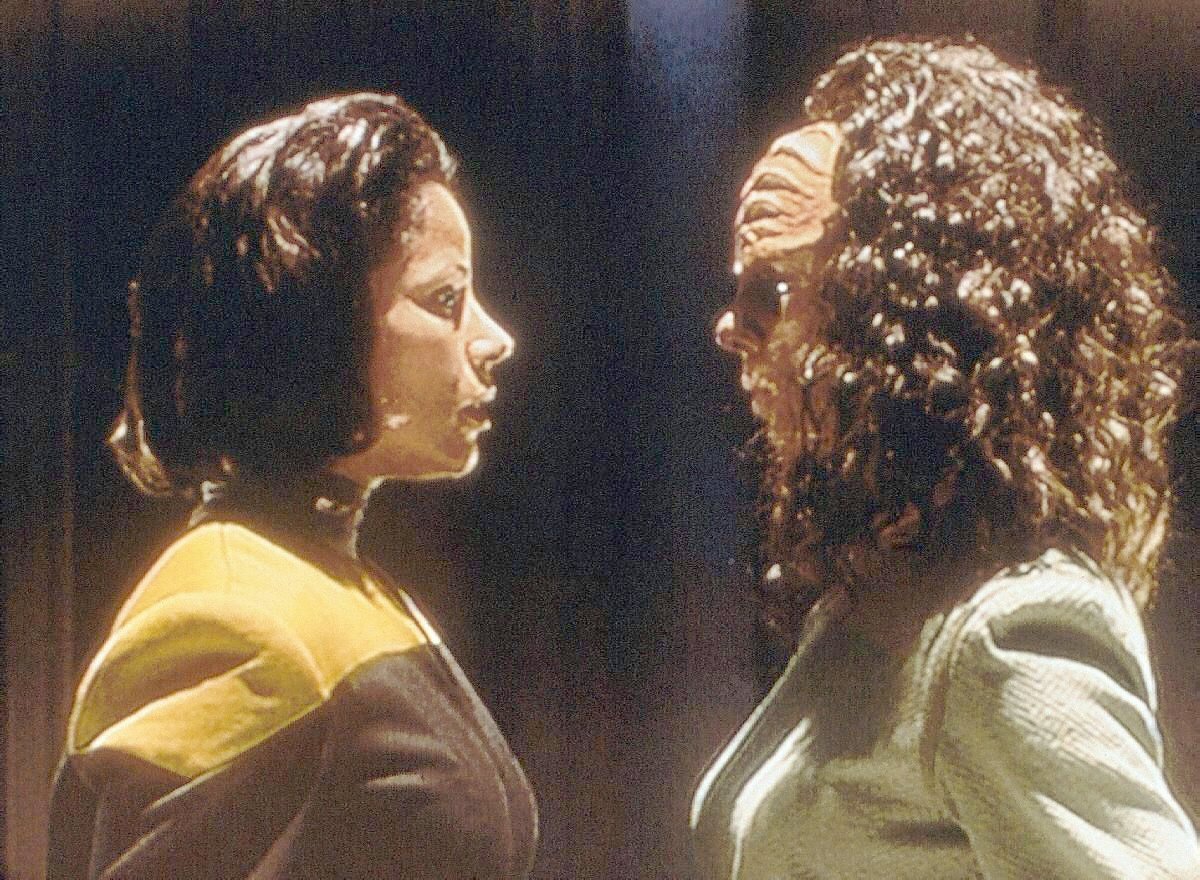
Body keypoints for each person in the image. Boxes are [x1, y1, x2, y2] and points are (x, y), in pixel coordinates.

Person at [692, 38, 1199, 879]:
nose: (730, 328)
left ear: (902, 310)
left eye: (770, 290)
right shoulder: (882, 592)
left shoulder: (1004, 634)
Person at [47, 93, 537, 879]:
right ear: (316, 319)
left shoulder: (332, 581)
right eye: (445, 299)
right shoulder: (233, 615)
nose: (495, 338)